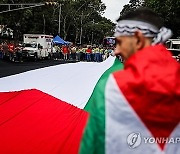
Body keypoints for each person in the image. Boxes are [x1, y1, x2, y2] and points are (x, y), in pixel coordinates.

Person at [79, 7, 180, 154]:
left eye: (119, 42)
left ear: (138, 39)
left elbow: (92, 144)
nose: (116, 51)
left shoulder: (113, 83)